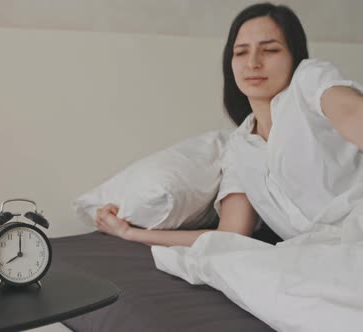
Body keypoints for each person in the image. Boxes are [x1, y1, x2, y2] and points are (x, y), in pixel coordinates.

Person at [94, 2, 363, 247]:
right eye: (241, 52)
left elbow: (353, 115)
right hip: (321, 256)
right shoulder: (239, 148)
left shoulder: (310, 80)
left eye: (270, 50)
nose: (253, 63)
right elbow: (230, 236)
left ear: (295, 56)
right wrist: (130, 233)